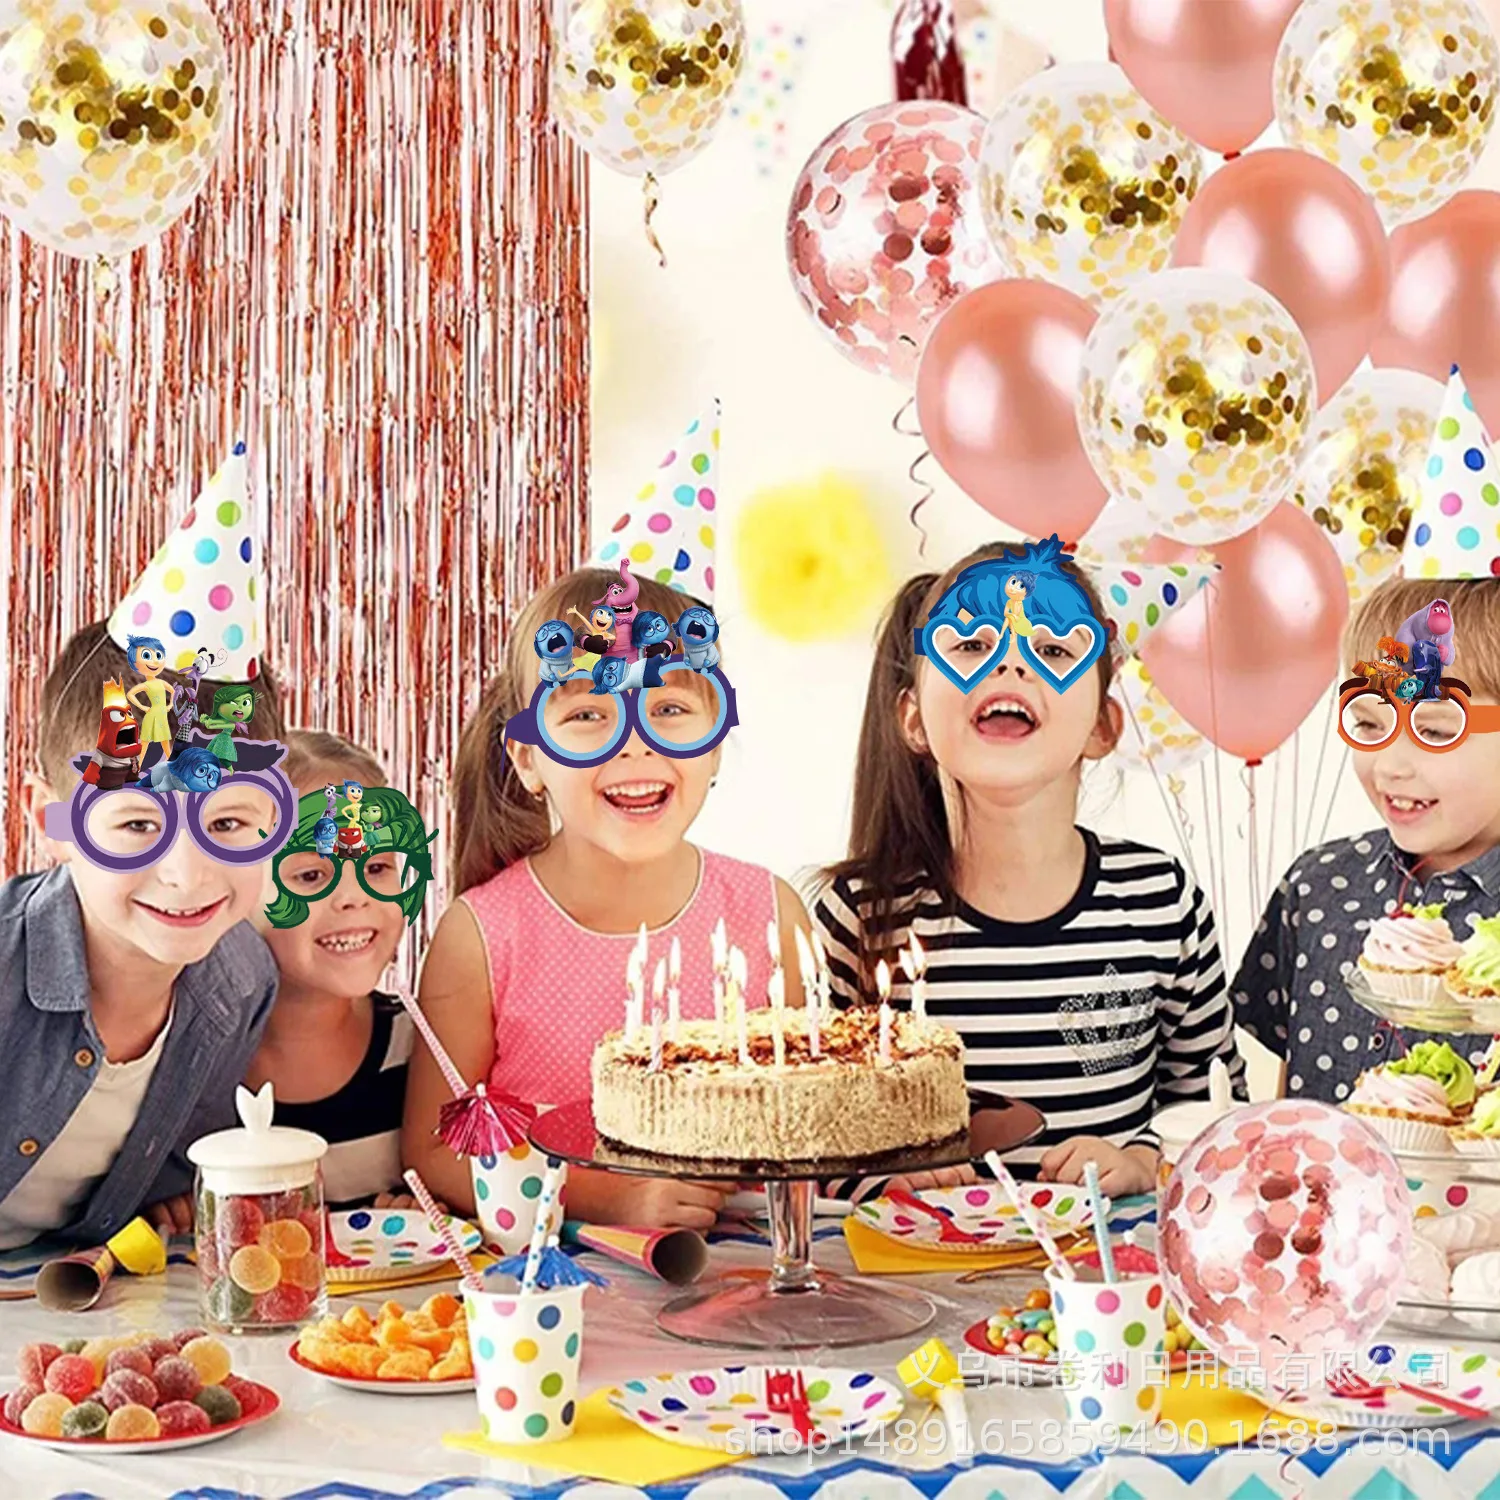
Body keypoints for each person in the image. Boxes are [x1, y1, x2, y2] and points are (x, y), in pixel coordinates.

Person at [812, 541, 1245, 1197]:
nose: (1010, 664)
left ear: (1104, 726)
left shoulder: (1162, 903)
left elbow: (1218, 1125)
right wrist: (885, 1181)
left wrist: (1141, 1165)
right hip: (908, 1287)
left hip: (1104, 1287)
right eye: (969, 645)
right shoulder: (859, 916)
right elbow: (801, 1155)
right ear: (914, 720)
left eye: (1052, 649)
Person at [402, 567, 813, 1230]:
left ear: (715, 741)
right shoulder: (482, 934)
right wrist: (608, 1198)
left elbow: (811, 1111)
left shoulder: (769, 913)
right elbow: (434, 1148)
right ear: (529, 758)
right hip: (544, 1284)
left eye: (670, 709)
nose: (635, 740)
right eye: (589, 714)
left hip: (745, 1272)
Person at [2, 623, 286, 1247]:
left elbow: (175, 1165)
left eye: (229, 820)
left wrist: (167, 1192)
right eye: (135, 824)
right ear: (52, 819)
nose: (186, 876)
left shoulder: (243, 982)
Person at [1233, 579, 1500, 1101]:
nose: (1391, 765)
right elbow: (1289, 1091)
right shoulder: (1317, 887)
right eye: (1369, 724)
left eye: (1437, 732)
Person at [249, 731, 429, 1210]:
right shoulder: (194, 1069)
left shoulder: (422, 1054)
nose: (355, 896)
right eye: (311, 875)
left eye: (377, 869)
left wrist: (420, 1217)